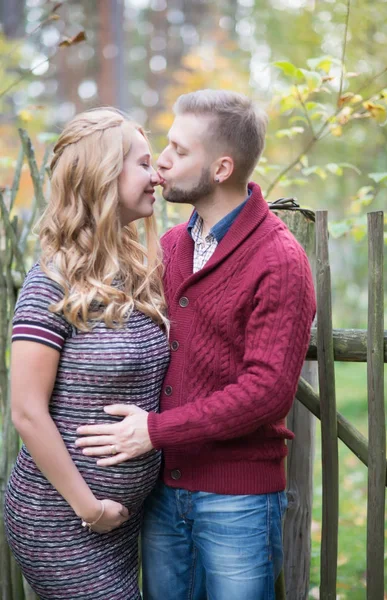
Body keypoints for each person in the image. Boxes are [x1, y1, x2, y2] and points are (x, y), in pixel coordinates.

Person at [76, 90, 316, 600]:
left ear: (222, 167)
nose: (161, 161)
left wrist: (155, 431)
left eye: (179, 151)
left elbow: (268, 391)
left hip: (238, 502)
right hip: (164, 493)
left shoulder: (280, 259)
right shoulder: (169, 248)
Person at [4, 107, 170, 600]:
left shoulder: (134, 273)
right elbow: (27, 412)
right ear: (102, 174)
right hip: (60, 517)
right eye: (143, 164)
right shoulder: (49, 284)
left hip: (121, 521)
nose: (157, 175)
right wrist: (90, 509)